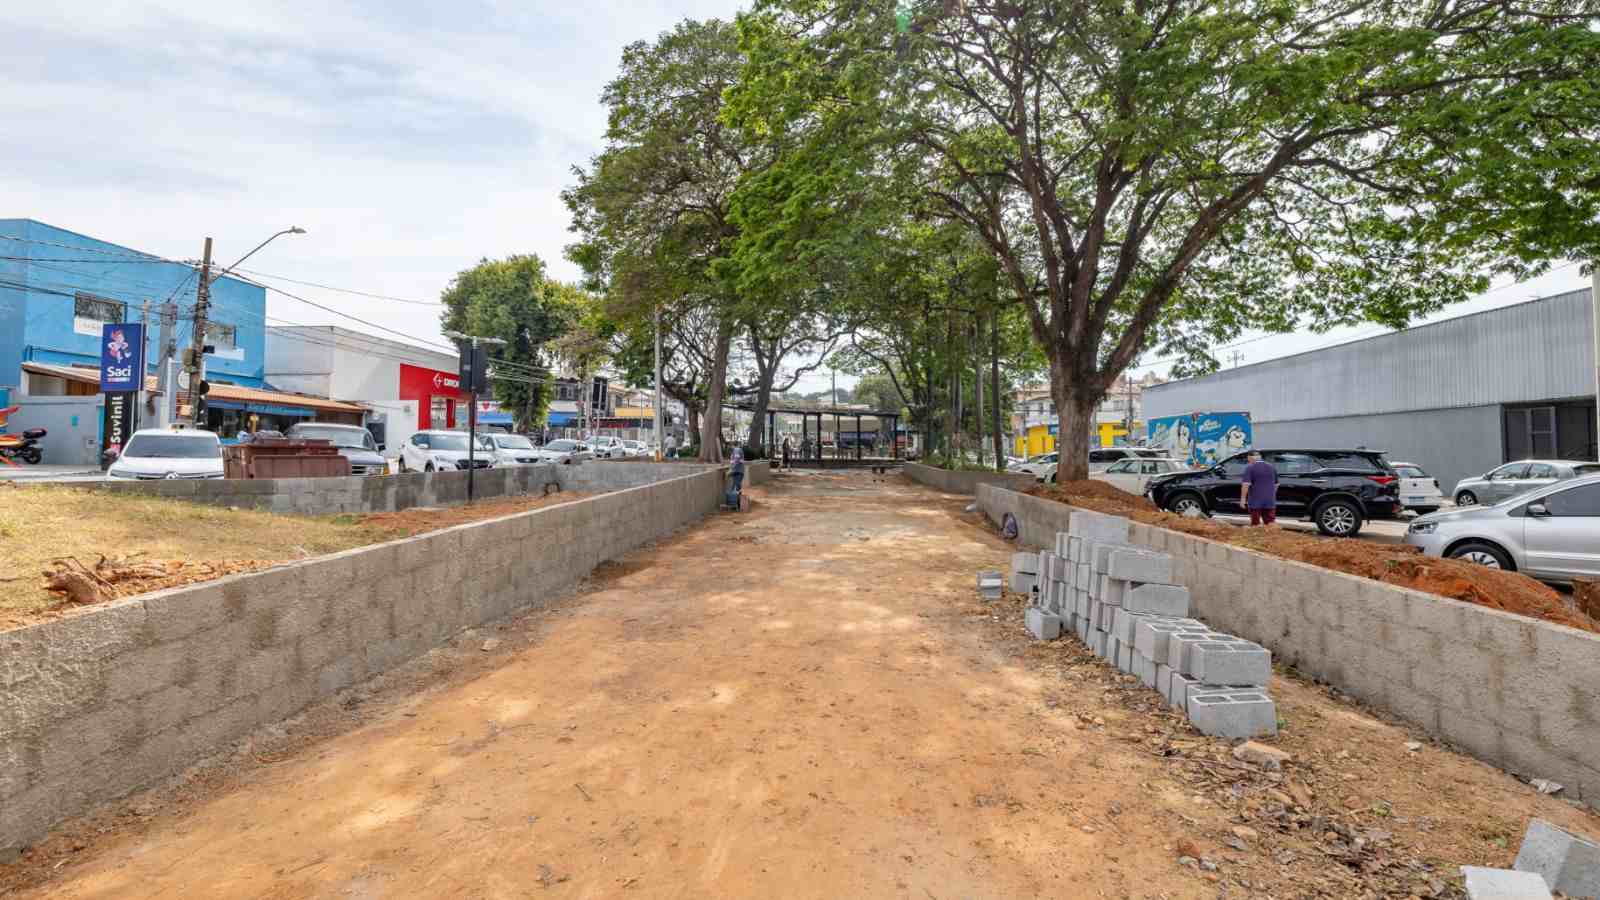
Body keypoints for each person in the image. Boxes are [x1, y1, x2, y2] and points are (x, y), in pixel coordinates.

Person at [1240, 450, 1278, 526]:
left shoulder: (1250, 468)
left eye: (1248, 459)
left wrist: (1243, 499)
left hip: (1255, 502)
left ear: (1249, 458)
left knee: (1255, 524)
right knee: (1270, 525)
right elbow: (1276, 484)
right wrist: (1270, 494)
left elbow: (1245, 485)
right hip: (1269, 501)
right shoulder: (1272, 467)